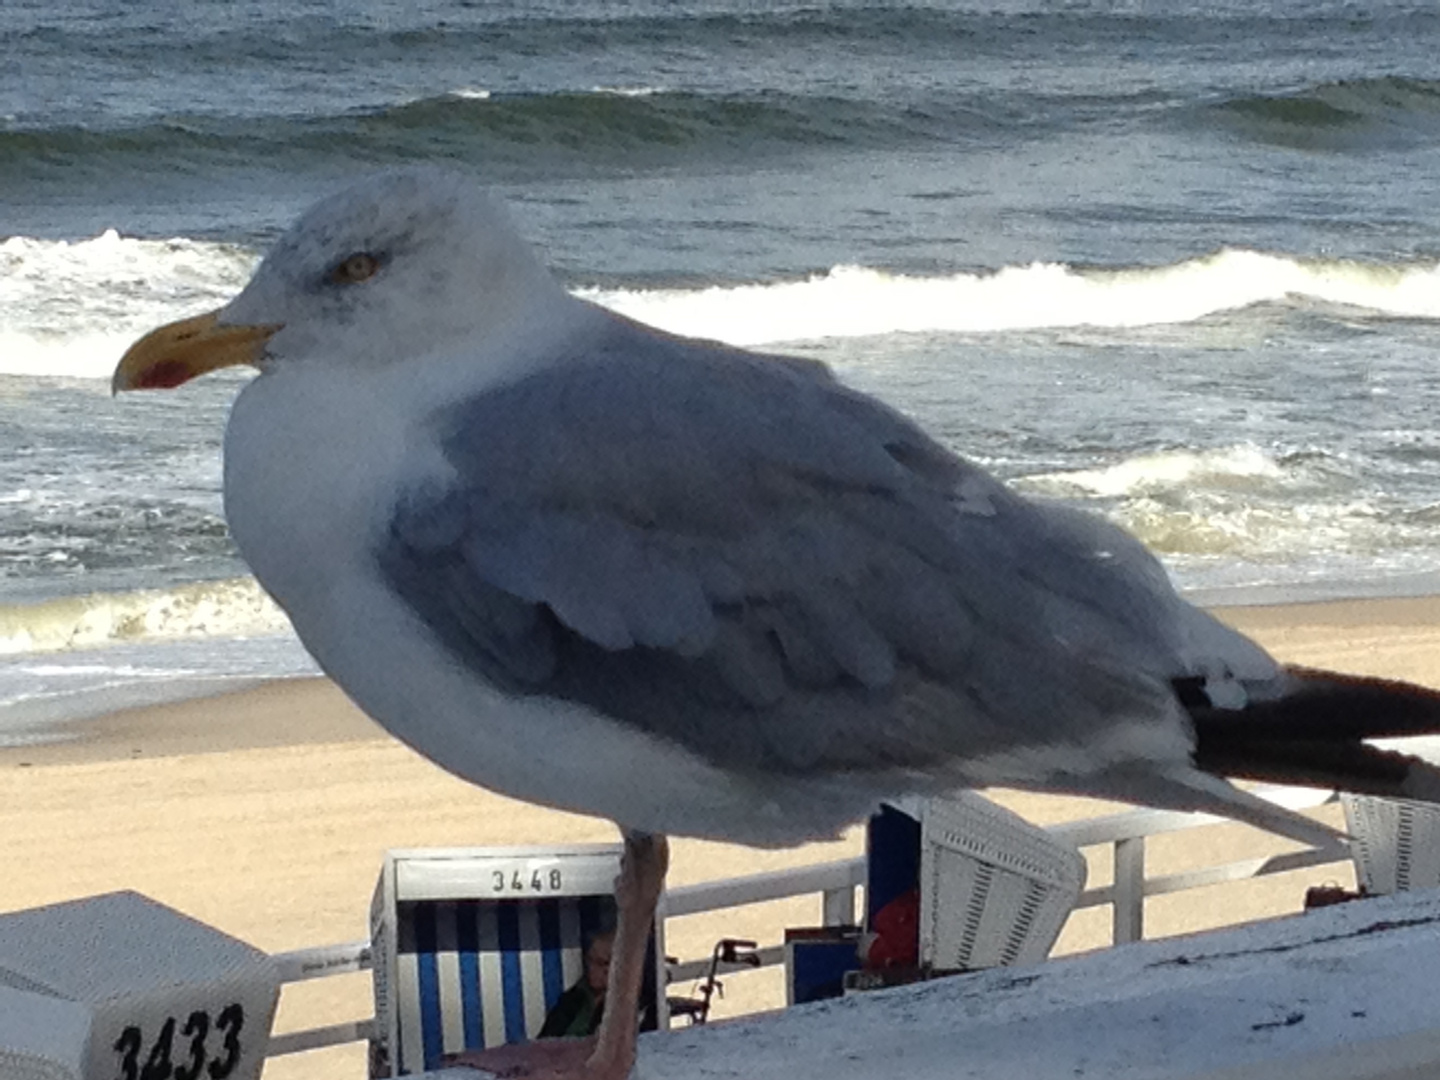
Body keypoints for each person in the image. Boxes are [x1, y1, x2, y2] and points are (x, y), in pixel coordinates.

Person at [539, 930, 615, 1039]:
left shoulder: (630, 1003)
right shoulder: (573, 998)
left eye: (601, 962)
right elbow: (546, 1037)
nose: (591, 968)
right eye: (589, 960)